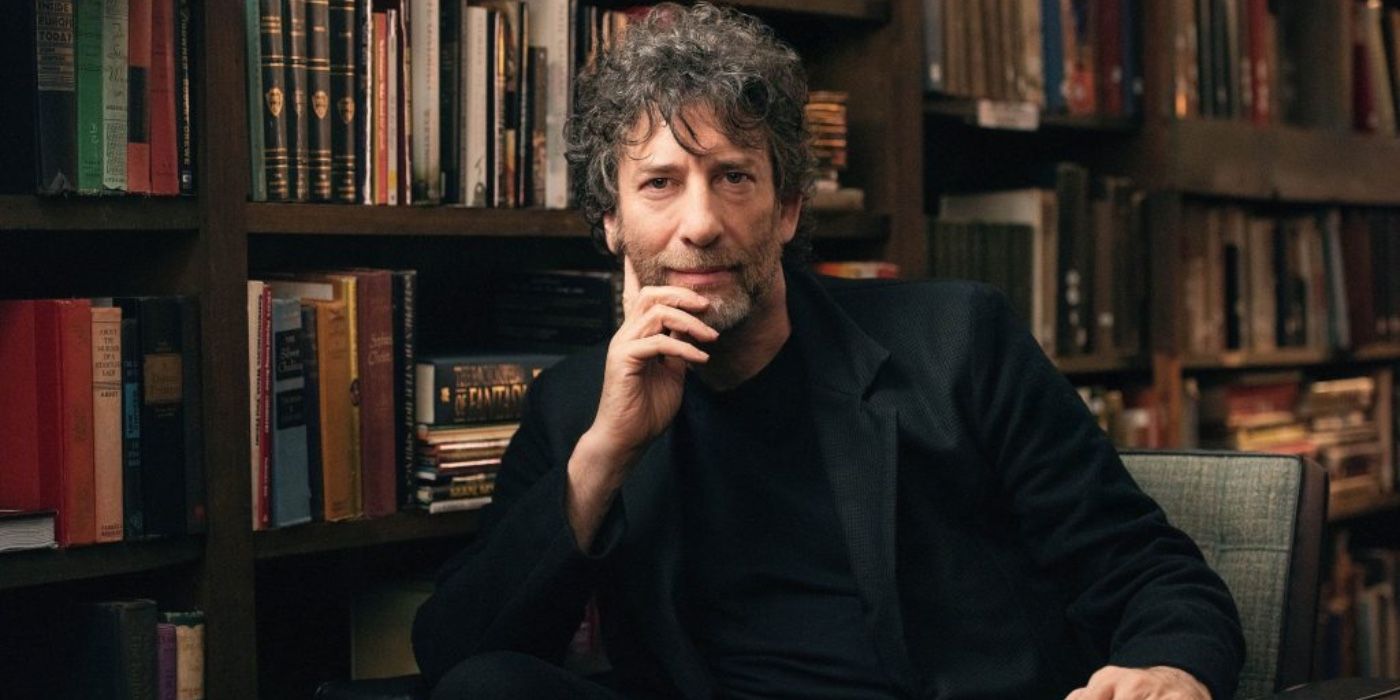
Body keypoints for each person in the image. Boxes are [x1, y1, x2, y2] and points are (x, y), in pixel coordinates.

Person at [412, 4, 1244, 699]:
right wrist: (604, 457)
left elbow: (1147, 568)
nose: (700, 224)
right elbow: (457, 653)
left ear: (787, 210)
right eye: (660, 183)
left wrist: (1168, 667)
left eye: (735, 177)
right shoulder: (575, 409)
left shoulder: (958, 341)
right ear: (612, 222)